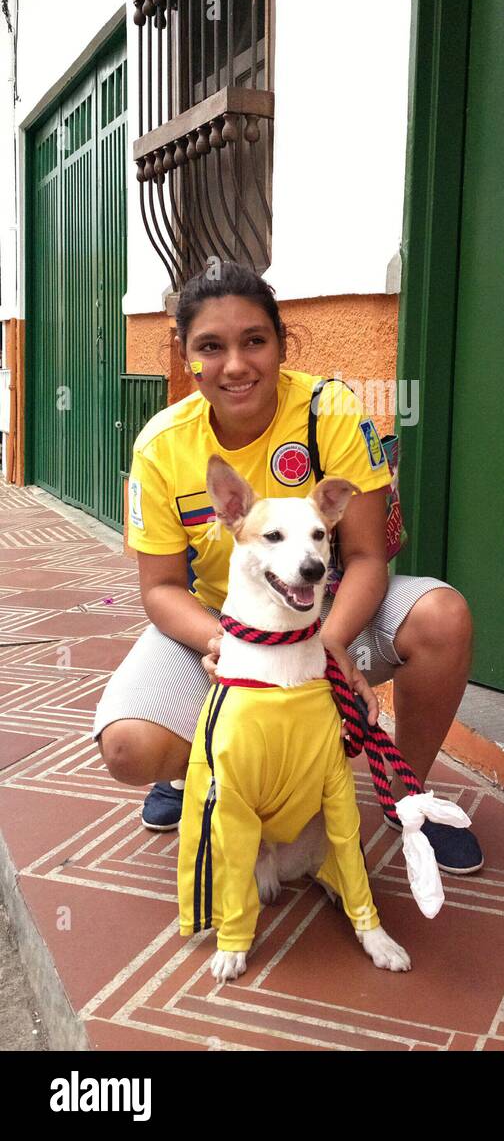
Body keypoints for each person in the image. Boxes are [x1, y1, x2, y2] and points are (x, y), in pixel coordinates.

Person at [93, 262, 482, 874]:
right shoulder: (162, 446)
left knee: (443, 617)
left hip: (332, 614)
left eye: (254, 340)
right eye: (210, 347)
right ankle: (196, 766)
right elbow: (161, 589)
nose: (236, 365)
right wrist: (224, 643)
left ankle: (406, 791)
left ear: (280, 343)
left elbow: (365, 557)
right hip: (223, 621)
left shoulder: (329, 412)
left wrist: (325, 647)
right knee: (126, 747)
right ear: (186, 355)